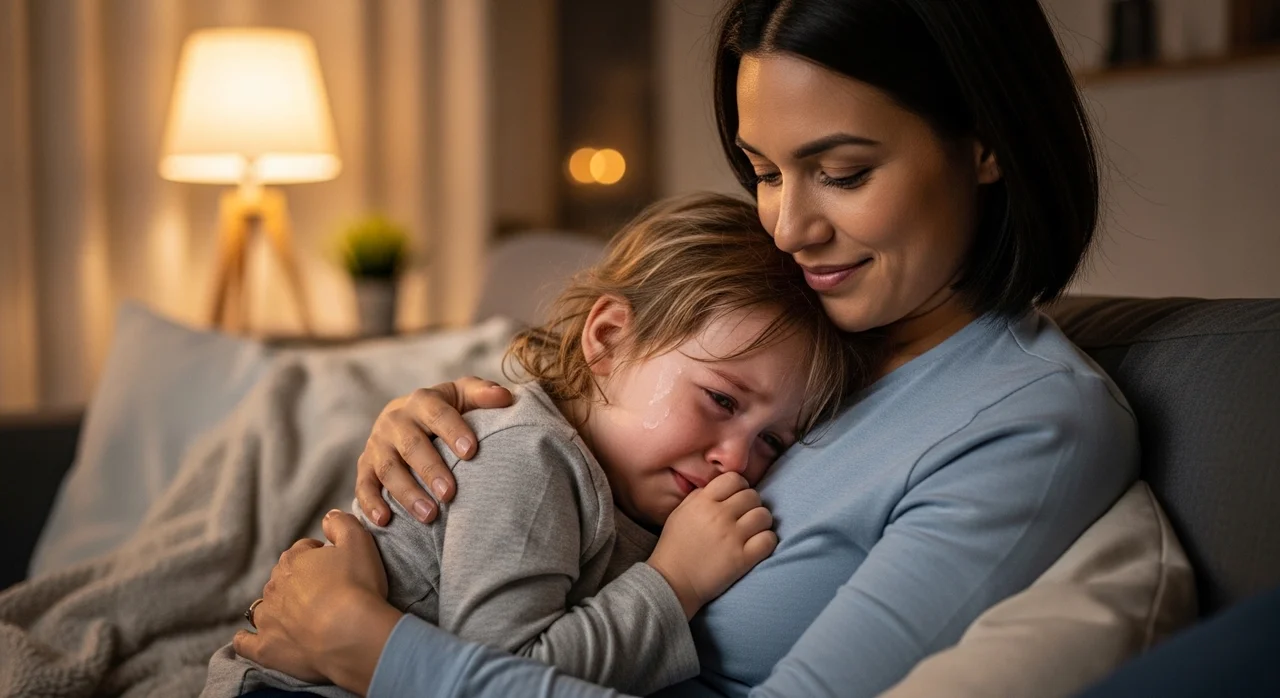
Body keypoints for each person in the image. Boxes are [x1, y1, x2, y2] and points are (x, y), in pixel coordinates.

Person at [233, 1, 1141, 696]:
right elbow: (585, 415)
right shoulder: (815, 329)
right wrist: (430, 428)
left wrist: (368, 645)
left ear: (985, 142)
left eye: (844, 173)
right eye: (765, 173)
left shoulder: (1028, 422)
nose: (787, 228)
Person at [211, 194, 862, 697]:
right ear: (608, 340)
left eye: (773, 439)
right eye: (721, 400)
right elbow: (502, 675)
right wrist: (674, 583)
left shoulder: (640, 494)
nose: (738, 460)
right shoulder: (533, 457)